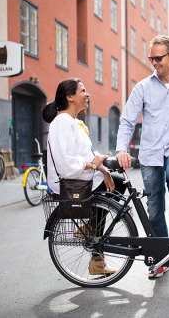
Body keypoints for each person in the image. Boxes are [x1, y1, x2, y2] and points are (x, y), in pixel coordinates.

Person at [115, 35, 169, 278]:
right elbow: (127, 120)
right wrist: (121, 149)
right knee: (154, 208)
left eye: (158, 58)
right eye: (151, 58)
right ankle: (161, 258)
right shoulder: (143, 87)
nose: (154, 62)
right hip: (150, 153)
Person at [42, 78, 124, 275]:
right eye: (83, 91)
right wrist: (98, 167)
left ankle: (95, 250)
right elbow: (67, 163)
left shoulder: (72, 122)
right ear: (70, 97)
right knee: (117, 186)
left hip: (81, 176)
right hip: (70, 181)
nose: (88, 94)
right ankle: (93, 241)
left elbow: (84, 153)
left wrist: (102, 166)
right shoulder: (62, 122)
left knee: (118, 185)